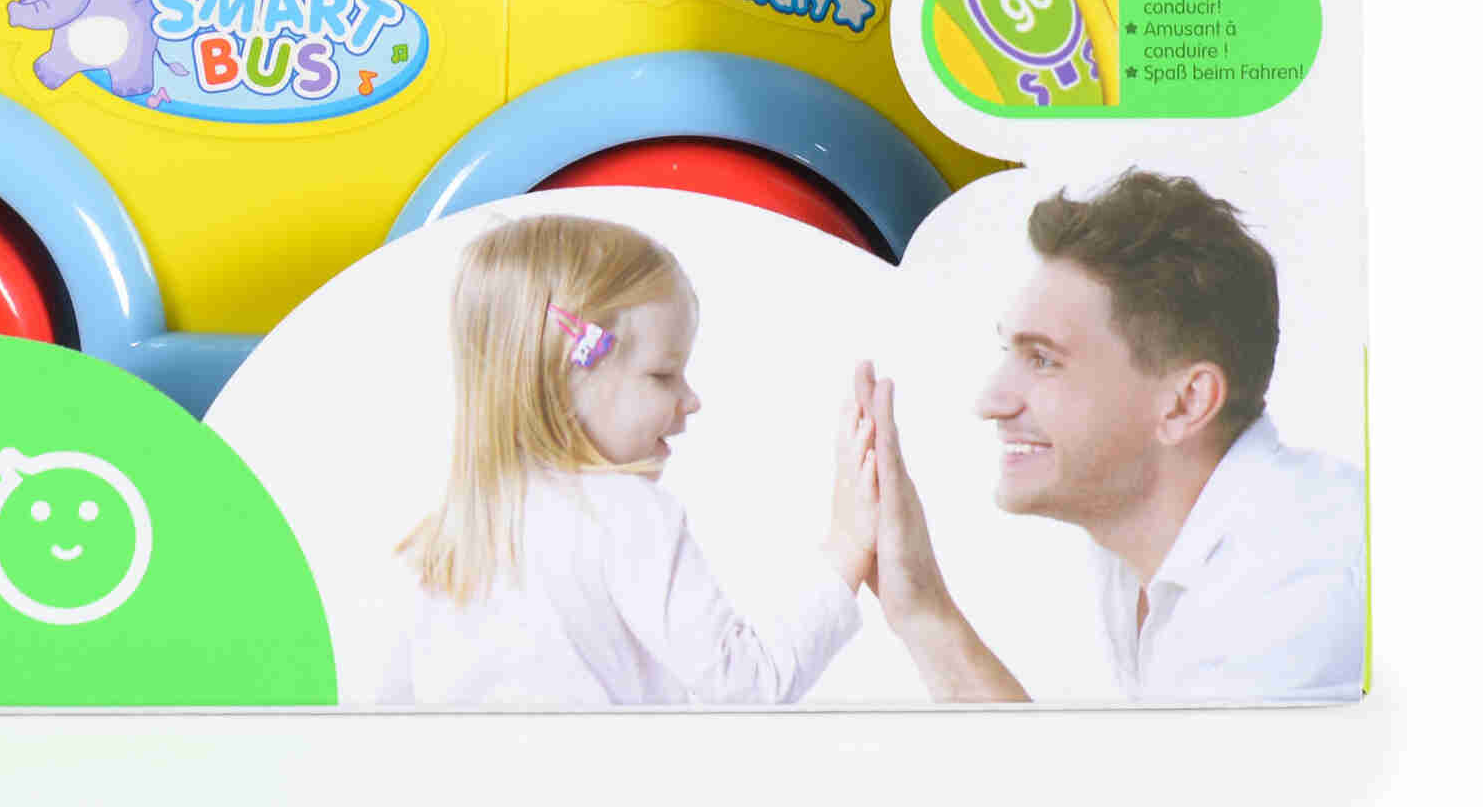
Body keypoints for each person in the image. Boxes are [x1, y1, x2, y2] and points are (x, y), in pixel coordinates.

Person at [861, 169, 1365, 704]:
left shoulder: (1290, 584)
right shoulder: (1144, 545)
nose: (991, 402)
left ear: (1185, 403)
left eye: (1043, 359)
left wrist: (928, 618)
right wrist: (921, 610)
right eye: (1011, 352)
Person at [380, 213, 877, 707]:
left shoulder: (435, 548)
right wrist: (847, 547)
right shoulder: (625, 515)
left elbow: (387, 721)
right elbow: (749, 685)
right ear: (561, 378)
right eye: (663, 375)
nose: (691, 400)